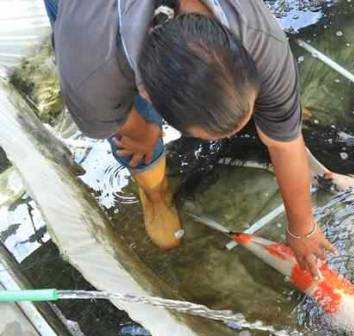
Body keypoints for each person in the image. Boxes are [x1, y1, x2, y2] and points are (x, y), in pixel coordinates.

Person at [44, 0, 335, 277]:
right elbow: (109, 120)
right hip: (89, 14)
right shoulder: (90, 71)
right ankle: (154, 193)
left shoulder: (259, 35)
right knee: (138, 142)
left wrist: (302, 227)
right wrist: (142, 131)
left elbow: (286, 143)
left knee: (278, 108)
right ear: (148, 95)